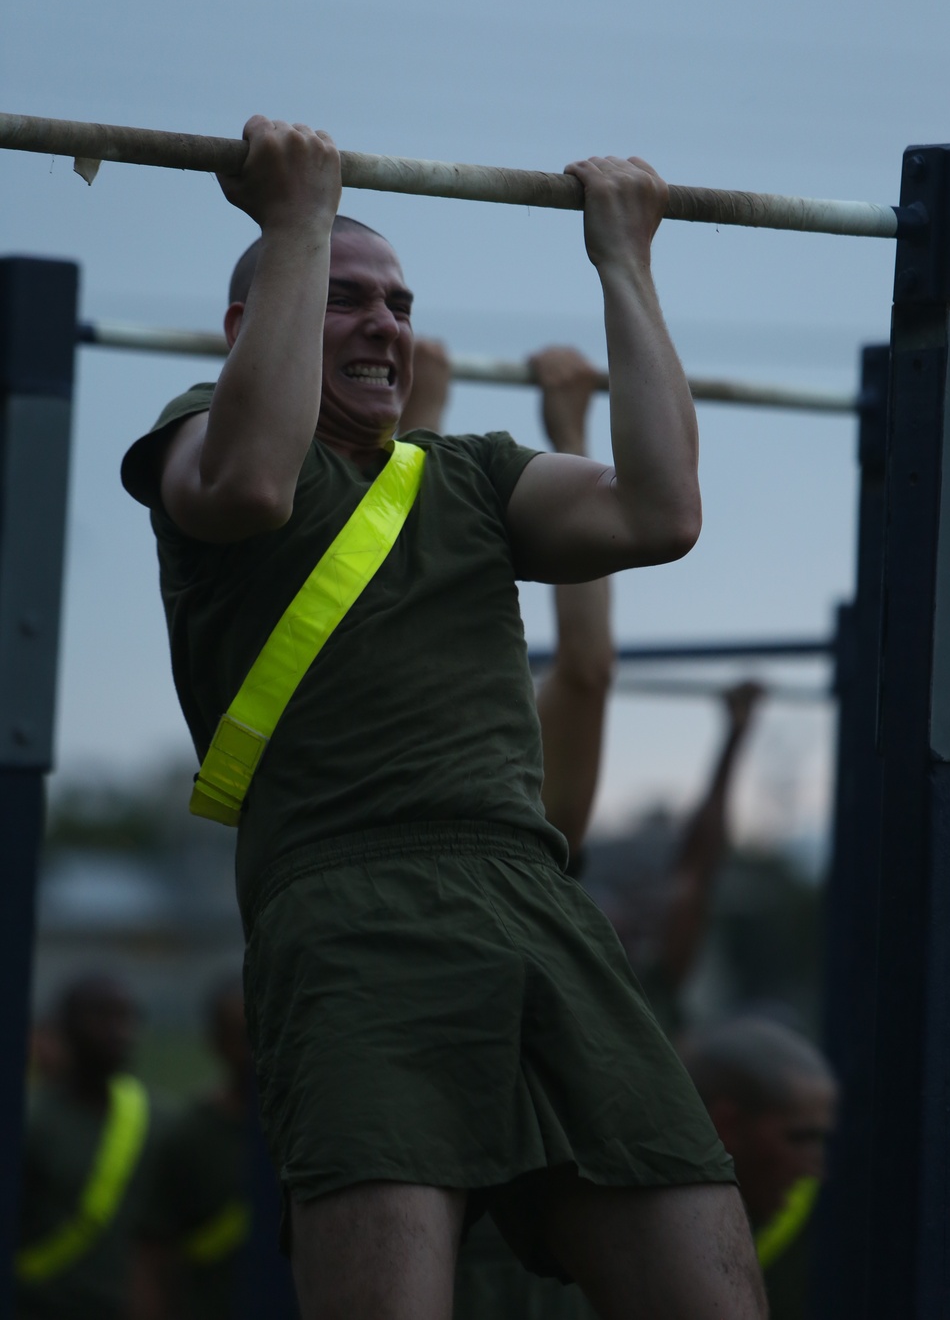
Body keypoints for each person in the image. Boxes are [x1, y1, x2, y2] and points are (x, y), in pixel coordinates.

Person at [121, 115, 766, 1320]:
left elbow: (661, 513)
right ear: (246, 329)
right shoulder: (201, 439)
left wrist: (624, 261)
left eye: (401, 303)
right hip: (353, 908)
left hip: (532, 900)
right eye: (346, 297)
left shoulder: (463, 473)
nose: (385, 323)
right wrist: (296, 216)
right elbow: (255, 479)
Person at [400, 339, 609, 1320]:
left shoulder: (535, 817)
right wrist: (566, 425)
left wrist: (428, 417)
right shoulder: (417, 782)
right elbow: (393, 607)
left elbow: (579, 673)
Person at [617, 681, 764, 1034]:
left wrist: (735, 736)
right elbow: (696, 867)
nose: (641, 916)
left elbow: (697, 865)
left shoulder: (650, 992)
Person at [681, 1016, 837, 1320]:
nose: (815, 1168)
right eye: (798, 1138)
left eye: (820, 1139)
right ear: (726, 1124)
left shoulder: (824, 1235)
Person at [16, 975, 153, 1320]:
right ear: (64, 1029)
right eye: (101, 1018)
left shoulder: (164, 1123)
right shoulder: (31, 1123)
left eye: (126, 1018)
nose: (118, 1031)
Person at [129, 981, 253, 1320]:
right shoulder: (187, 1136)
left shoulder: (314, 1129)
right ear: (215, 1042)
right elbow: (151, 1257)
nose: (258, 1048)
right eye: (242, 1036)